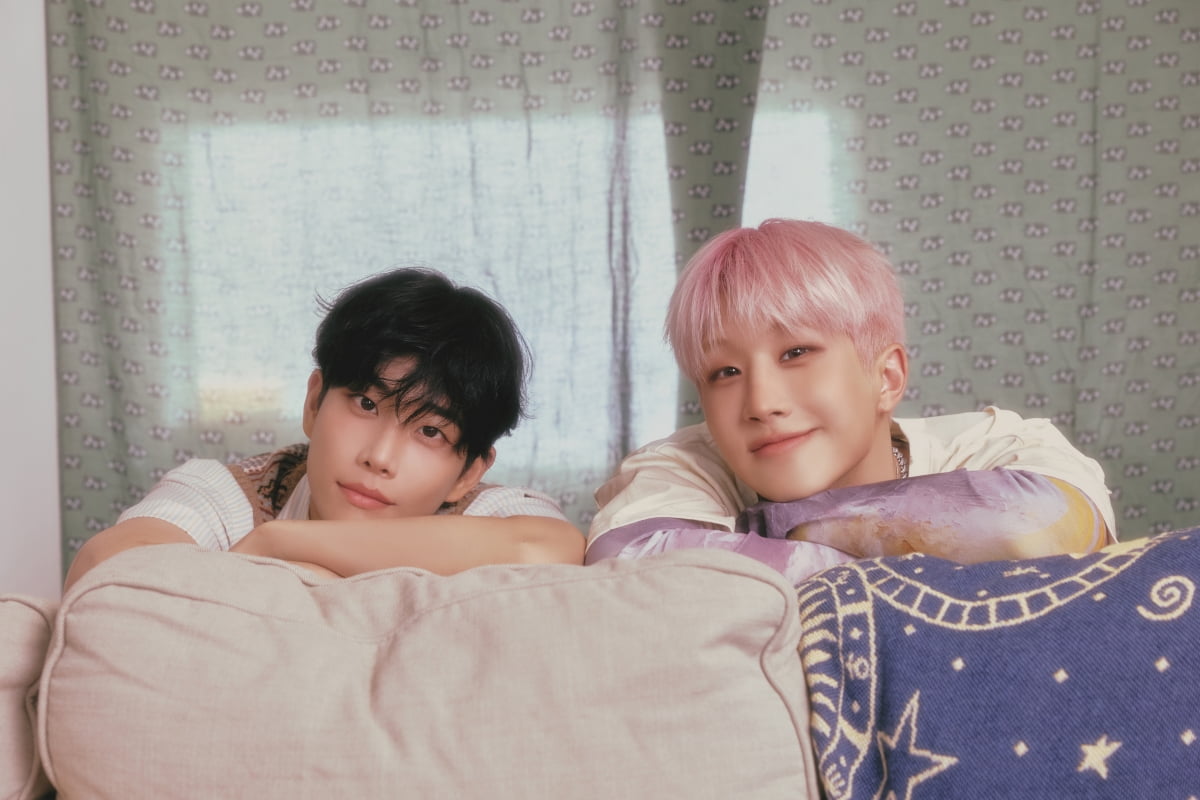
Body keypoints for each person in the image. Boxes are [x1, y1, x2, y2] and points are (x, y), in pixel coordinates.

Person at [585, 219, 1115, 585]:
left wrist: (769, 529)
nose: (761, 403)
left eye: (796, 352)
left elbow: (1040, 525)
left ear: (886, 376)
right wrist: (936, 546)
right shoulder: (677, 467)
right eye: (725, 372)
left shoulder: (998, 442)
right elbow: (634, 571)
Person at [66, 268, 584, 590]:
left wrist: (279, 546)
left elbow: (550, 549)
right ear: (314, 401)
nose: (380, 457)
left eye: (430, 433)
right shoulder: (229, 495)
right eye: (366, 403)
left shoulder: (490, 512)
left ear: (469, 472)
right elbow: (106, 570)